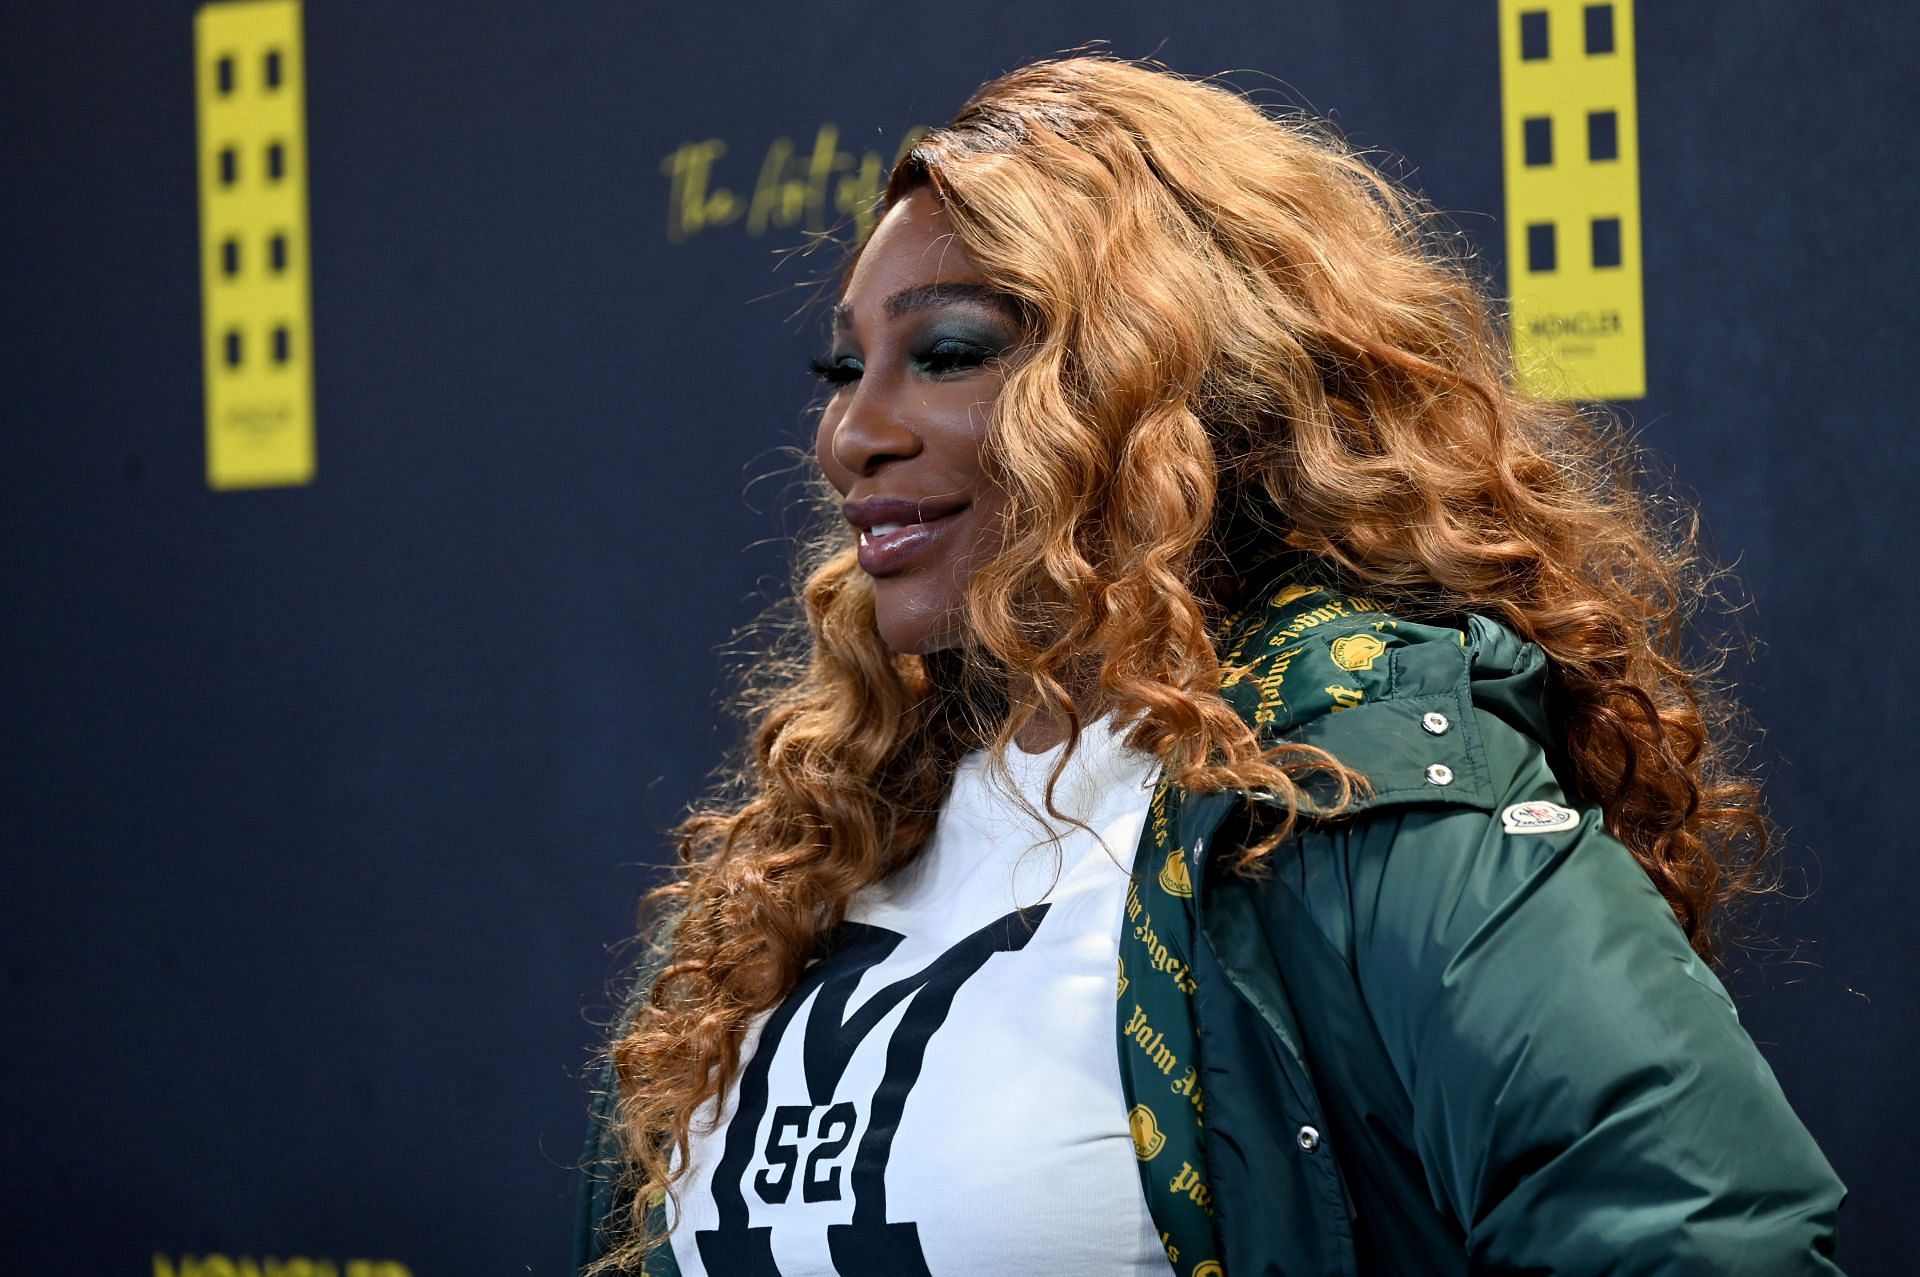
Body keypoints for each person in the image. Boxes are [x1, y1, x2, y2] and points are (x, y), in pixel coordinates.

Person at [576, 55, 1845, 1276]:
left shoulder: (1349, 774)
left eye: (951, 352)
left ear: (1167, 377)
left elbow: (1704, 1229)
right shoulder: (793, 863)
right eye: (845, 369)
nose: (854, 432)